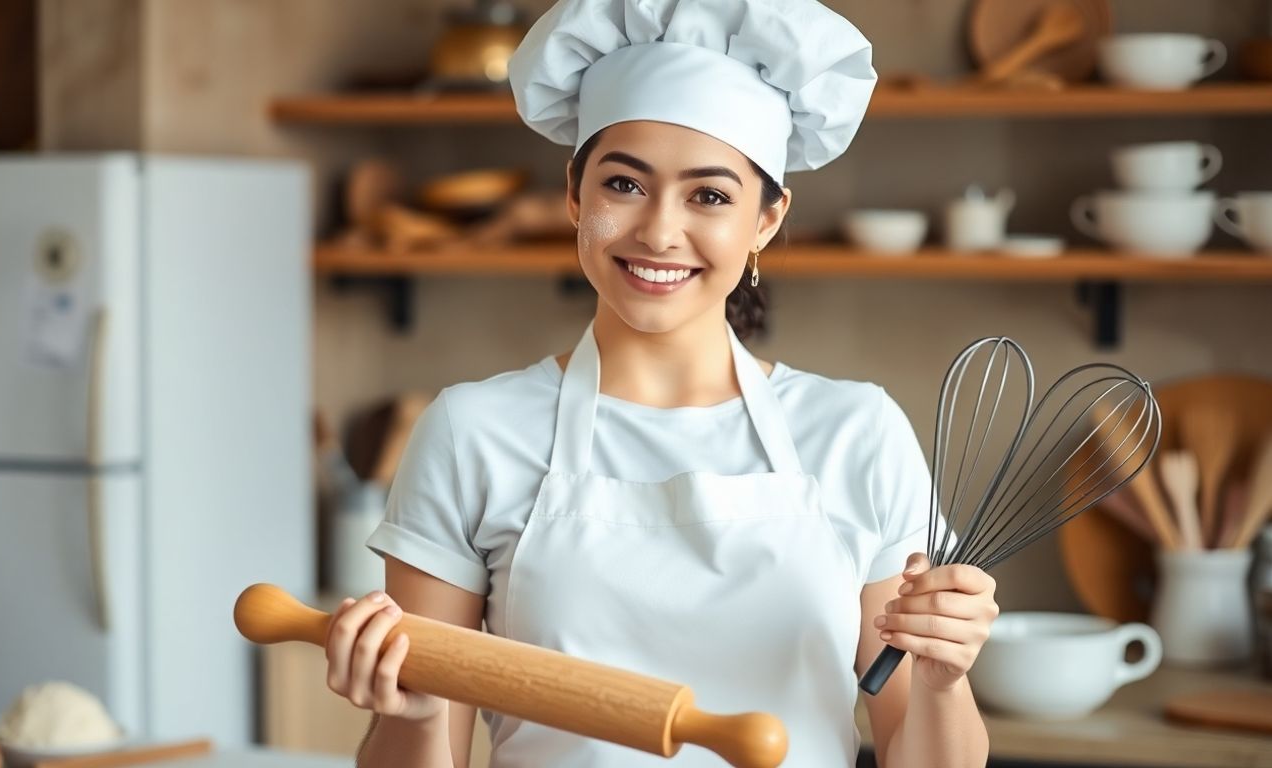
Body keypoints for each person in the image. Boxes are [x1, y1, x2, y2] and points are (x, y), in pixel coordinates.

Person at [326, 1, 997, 766]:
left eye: (709, 195)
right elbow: (422, 746)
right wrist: (410, 715)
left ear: (766, 220)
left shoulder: (856, 432)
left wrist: (943, 680)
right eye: (625, 185)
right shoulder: (472, 431)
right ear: (575, 197)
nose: (659, 232)